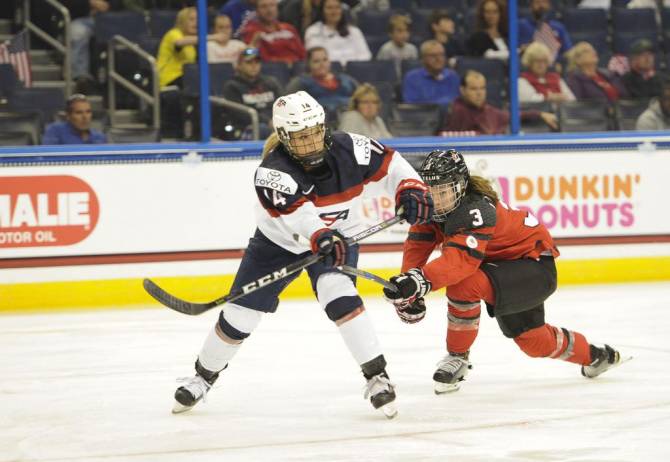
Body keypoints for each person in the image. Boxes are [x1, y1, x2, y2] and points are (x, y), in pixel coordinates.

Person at [172, 91, 434, 419]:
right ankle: (202, 378)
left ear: (323, 127)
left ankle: (377, 377)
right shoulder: (272, 172)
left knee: (338, 293)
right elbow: (301, 218)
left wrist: (411, 188)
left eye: (314, 133)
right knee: (241, 314)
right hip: (277, 243)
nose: (310, 143)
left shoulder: (352, 148)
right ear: (284, 136)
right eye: (300, 137)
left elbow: (393, 165)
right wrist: (320, 235)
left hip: (338, 237)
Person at [383, 149, 626, 395]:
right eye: (431, 190)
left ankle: (457, 357)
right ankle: (596, 356)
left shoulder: (476, 210)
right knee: (534, 342)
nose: (436, 198)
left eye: (443, 191)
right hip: (499, 267)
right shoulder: (432, 207)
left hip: (532, 266)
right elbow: (418, 244)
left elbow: (460, 262)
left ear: (460, 186)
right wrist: (409, 288)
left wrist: (419, 281)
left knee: (464, 284)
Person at [441, 70, 558, 134]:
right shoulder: (457, 111)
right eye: (474, 89)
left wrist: (540, 114)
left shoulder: (489, 111)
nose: (479, 93)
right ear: (463, 90)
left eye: (482, 88)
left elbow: (513, 115)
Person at [157, 7, 228, 88]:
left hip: (186, 78)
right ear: (182, 21)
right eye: (191, 19)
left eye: (197, 19)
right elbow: (180, 42)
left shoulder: (192, 45)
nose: (196, 22)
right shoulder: (173, 33)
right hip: (168, 80)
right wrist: (213, 37)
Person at [63, 0, 122, 93]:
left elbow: (117, 4)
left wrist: (107, 6)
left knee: (122, 36)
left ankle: (122, 77)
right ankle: (80, 76)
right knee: (77, 33)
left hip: (108, 19)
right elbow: (69, 4)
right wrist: (89, 3)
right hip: (82, 19)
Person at [222, 47, 282, 139]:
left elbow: (282, 104)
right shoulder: (232, 86)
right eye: (249, 62)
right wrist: (267, 121)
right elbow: (240, 115)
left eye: (257, 62)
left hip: (274, 123)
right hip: (246, 128)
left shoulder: (270, 83)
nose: (254, 66)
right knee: (262, 129)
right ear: (239, 65)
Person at [285, 47, 358, 115]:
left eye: (325, 60)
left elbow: (362, 97)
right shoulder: (300, 82)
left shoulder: (346, 80)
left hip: (349, 116)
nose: (322, 64)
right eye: (316, 61)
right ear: (308, 64)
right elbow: (287, 105)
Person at [304, 0, 372, 66]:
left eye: (337, 7)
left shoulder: (354, 31)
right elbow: (316, 57)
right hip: (327, 70)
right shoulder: (313, 31)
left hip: (355, 70)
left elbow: (366, 56)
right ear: (322, 11)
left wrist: (351, 66)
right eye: (329, 8)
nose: (334, 11)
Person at [240, 0, 306, 64]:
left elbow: (302, 54)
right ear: (257, 11)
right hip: (270, 68)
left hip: (296, 66)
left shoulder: (289, 29)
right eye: (264, 6)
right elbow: (248, 57)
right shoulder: (251, 31)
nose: (269, 10)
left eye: (272, 5)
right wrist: (252, 47)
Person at [402, 40, 460, 107]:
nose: (438, 59)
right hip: (425, 113)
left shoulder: (452, 76)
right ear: (423, 58)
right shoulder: (412, 78)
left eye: (441, 55)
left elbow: (458, 102)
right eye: (433, 55)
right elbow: (411, 105)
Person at [42, 94, 107, 145]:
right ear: (68, 116)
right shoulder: (55, 131)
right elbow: (48, 155)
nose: (85, 117)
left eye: (88, 112)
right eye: (79, 112)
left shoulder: (99, 137)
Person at [376, 14, 419, 78]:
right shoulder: (386, 49)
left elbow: (415, 70)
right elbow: (382, 71)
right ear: (390, 33)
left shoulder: (412, 49)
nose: (404, 34)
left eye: (407, 30)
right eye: (400, 31)